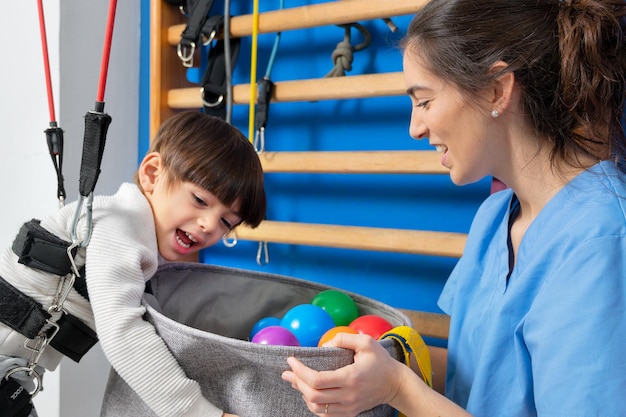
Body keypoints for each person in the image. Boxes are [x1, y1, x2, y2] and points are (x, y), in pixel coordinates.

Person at [282, 0, 626, 416]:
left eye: (424, 101)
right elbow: (475, 376)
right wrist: (378, 365)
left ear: (497, 90)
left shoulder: (601, 241)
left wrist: (398, 389)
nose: (415, 128)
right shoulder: (494, 217)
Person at [0, 111, 266, 417]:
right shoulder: (120, 227)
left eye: (225, 221)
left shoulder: (134, 236)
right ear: (152, 174)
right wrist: (200, 412)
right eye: (200, 200)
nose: (208, 224)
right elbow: (123, 332)